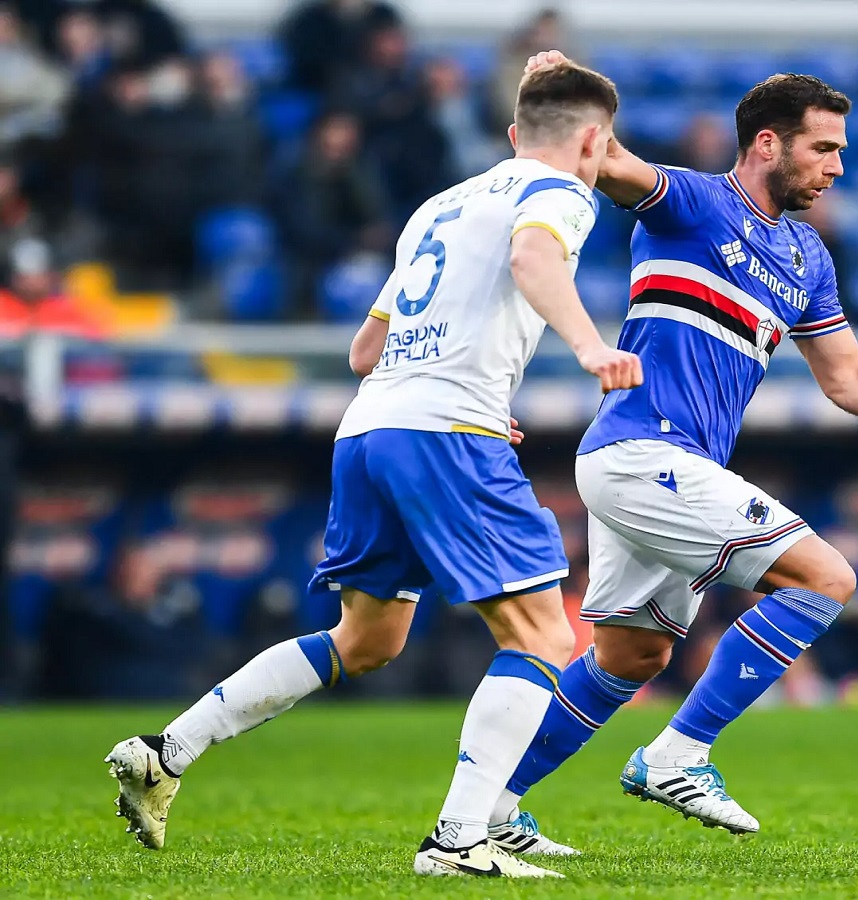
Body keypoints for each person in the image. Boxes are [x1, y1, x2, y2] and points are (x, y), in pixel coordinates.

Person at [104, 61, 643, 880]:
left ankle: (165, 751)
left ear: (508, 135)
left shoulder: (440, 204)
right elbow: (537, 263)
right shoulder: (563, 192)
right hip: (446, 431)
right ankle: (459, 842)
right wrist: (591, 346)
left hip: (371, 428)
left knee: (367, 638)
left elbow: (365, 351)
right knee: (543, 632)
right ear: (594, 142)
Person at [493, 50, 858, 837]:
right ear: (768, 143)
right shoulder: (692, 203)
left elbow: (849, 378)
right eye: (824, 147)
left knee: (631, 658)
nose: (838, 165)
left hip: (669, 464)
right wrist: (559, 89)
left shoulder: (807, 257)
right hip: (642, 451)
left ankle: (490, 807)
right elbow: (607, 158)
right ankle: (677, 755)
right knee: (826, 579)